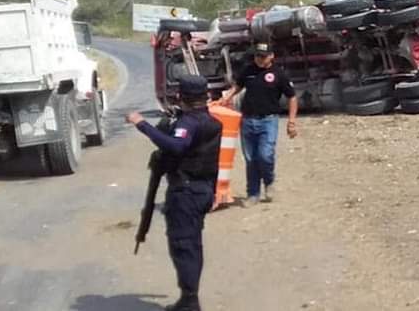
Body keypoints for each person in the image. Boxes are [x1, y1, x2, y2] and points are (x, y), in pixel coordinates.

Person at [126, 74, 222, 311]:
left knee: (183, 245)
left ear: (181, 97)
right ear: (206, 96)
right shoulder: (211, 122)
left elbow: (177, 146)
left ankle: (190, 301)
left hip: (186, 192)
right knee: (193, 244)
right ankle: (189, 296)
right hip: (203, 189)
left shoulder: (189, 123)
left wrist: (141, 123)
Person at [217, 42, 297, 205]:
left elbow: (292, 97)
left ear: (271, 56)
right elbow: (238, 86)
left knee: (265, 155)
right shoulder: (248, 70)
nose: (259, 59)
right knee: (251, 159)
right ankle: (252, 193)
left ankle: (269, 181)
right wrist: (227, 97)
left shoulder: (279, 74)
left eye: (263, 56)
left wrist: (292, 122)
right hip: (247, 120)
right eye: (257, 56)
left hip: (269, 120)